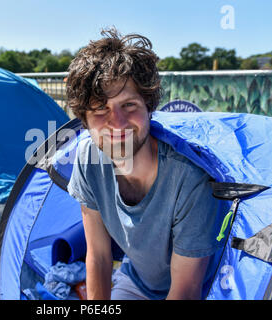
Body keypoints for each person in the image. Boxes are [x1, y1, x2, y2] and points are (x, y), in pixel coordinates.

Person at [65, 28, 222, 300]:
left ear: (149, 106)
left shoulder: (188, 177)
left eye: (128, 105)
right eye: (101, 109)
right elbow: (100, 256)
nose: (118, 123)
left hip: (206, 289)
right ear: (85, 119)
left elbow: (186, 289)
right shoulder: (87, 158)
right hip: (138, 282)